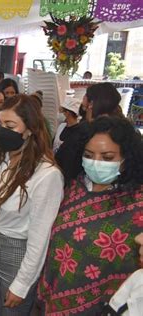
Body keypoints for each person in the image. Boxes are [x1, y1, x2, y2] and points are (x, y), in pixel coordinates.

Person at [0, 94, 64, 315]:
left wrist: (22, 284)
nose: (2, 130)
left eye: (10, 125)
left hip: (18, 254)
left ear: (29, 129)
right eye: (0, 124)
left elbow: (40, 237)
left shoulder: (46, 174)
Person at [38, 116, 143, 315]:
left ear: (126, 159)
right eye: (89, 155)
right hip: (59, 294)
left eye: (108, 157)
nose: (96, 163)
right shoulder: (74, 188)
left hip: (107, 305)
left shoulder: (137, 204)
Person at [60, 82, 124, 182]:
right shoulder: (123, 130)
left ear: (91, 104)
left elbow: (67, 164)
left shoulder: (83, 132)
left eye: (107, 157)